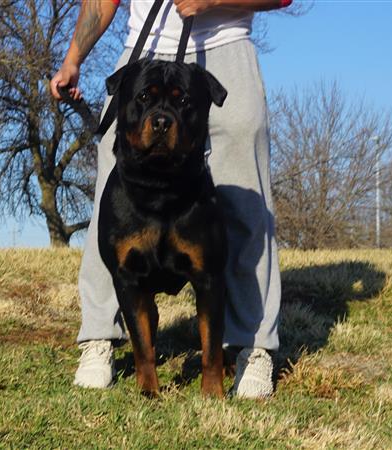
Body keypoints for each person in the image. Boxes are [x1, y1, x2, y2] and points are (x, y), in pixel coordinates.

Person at [50, 0, 292, 399]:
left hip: (228, 44)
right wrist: (73, 57)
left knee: (247, 203)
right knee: (111, 201)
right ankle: (98, 337)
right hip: (144, 48)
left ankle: (254, 346)